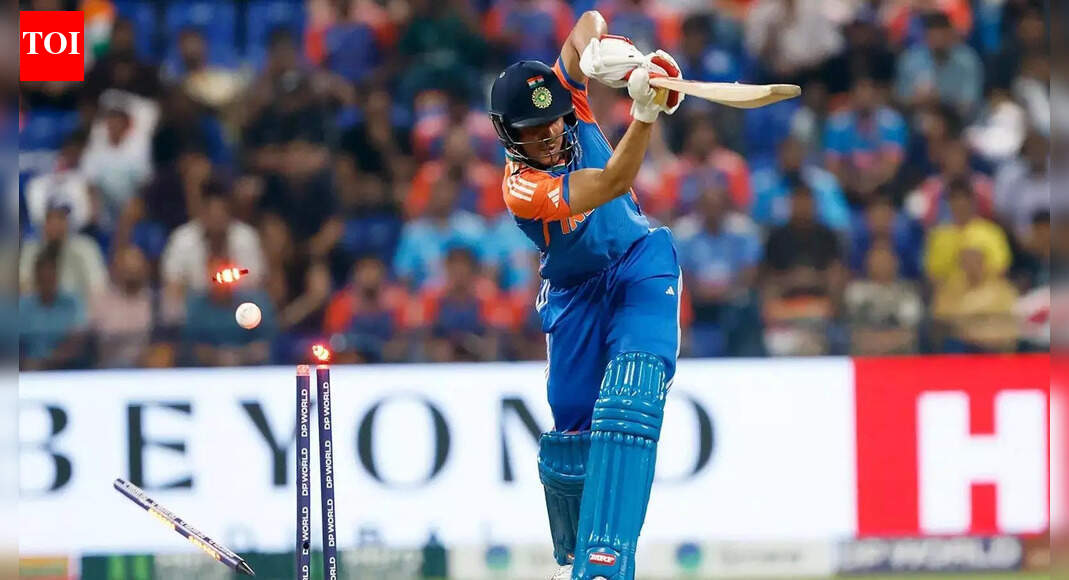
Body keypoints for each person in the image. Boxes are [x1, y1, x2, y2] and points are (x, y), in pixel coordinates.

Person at [488, 12, 684, 579]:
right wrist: (645, 112)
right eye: (532, 129)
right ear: (508, 134)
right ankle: (573, 559)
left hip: (639, 265)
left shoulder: (569, 100)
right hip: (574, 295)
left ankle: (605, 563)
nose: (549, 134)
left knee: (630, 397)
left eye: (551, 120)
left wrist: (609, 52)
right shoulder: (522, 187)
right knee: (571, 442)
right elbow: (613, 181)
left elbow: (584, 27)